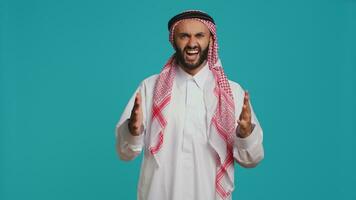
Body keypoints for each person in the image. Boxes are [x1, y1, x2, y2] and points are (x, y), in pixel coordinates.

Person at [115, 10, 264, 200]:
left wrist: (245, 134)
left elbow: (252, 159)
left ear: (211, 40)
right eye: (184, 36)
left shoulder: (231, 93)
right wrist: (133, 130)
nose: (192, 43)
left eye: (199, 35)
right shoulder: (150, 88)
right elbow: (125, 153)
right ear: (173, 40)